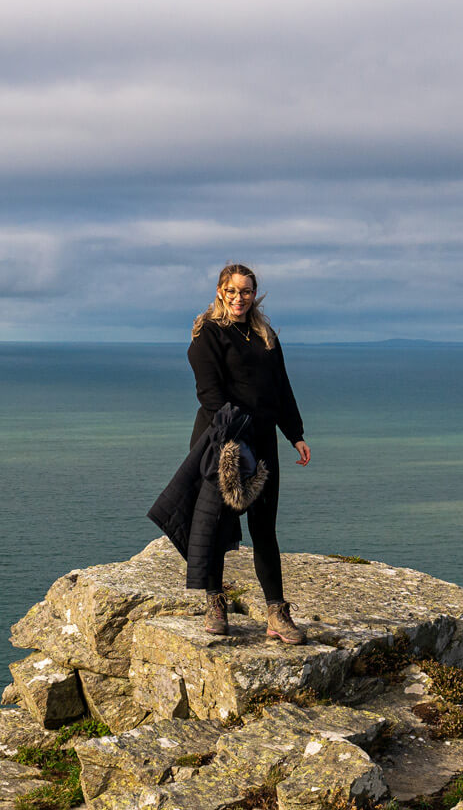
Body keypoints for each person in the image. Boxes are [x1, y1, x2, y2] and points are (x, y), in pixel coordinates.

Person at [185, 262, 310, 644]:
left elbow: (280, 387)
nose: (240, 298)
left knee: (264, 527)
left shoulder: (265, 334)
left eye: (247, 291)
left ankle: (276, 612)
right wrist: (229, 438)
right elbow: (209, 393)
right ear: (221, 291)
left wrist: (296, 434)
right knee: (216, 525)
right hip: (220, 439)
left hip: (263, 437)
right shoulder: (208, 333)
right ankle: (215, 602)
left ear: (255, 294)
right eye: (233, 290)